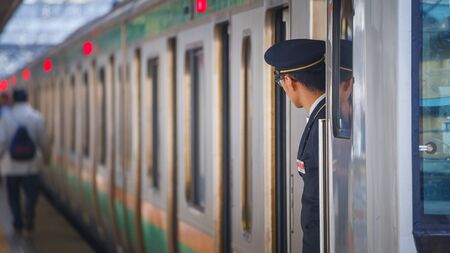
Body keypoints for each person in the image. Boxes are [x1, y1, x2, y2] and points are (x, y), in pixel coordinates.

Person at [264, 39, 326, 253]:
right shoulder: (322, 116)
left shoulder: (322, 123)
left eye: (279, 80)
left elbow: (318, 207)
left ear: (289, 81)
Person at [0, 88, 46, 233]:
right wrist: (47, 159)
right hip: (31, 165)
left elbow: (2, 141)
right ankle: (29, 211)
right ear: (27, 100)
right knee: (31, 193)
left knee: (13, 195)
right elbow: (43, 142)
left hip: (11, 165)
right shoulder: (37, 117)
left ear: (13, 100)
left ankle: (18, 221)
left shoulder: (6, 119)